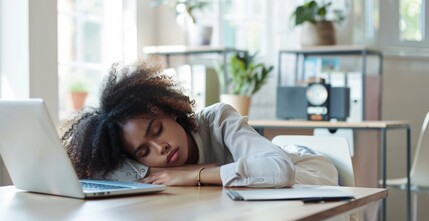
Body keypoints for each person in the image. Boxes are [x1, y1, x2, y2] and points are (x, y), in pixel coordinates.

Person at [60, 57, 338, 188]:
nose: (161, 148)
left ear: (167, 111)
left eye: (156, 129)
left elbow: (280, 171)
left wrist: (197, 173)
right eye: (144, 151)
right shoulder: (147, 167)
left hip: (308, 171)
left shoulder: (218, 119)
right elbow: (96, 175)